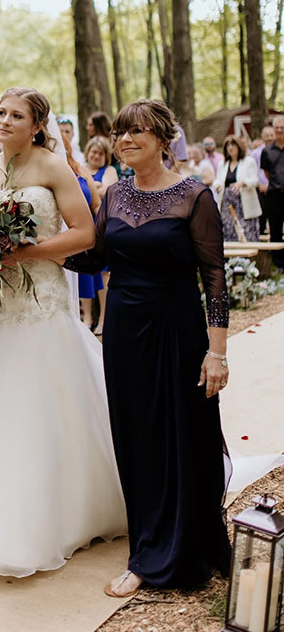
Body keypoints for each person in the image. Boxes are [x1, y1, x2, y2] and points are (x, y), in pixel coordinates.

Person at [0, 88, 126, 577]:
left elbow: (85, 233)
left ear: (37, 125)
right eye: (1, 113)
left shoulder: (52, 166)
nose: (5, 121)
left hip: (42, 300)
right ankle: (8, 519)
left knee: (39, 407)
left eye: (17, 116)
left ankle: (57, 520)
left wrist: (24, 253)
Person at [67, 99, 231, 597]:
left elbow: (215, 279)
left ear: (163, 139)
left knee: (183, 434)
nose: (125, 139)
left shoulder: (194, 196)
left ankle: (186, 543)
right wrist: (31, 249)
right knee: (136, 438)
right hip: (123, 336)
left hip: (179, 334)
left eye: (137, 131)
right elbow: (93, 255)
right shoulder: (113, 195)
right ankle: (147, 547)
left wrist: (217, 352)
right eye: (120, 132)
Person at [62, 137, 103, 330]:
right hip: (62, 232)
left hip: (87, 229)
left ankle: (89, 318)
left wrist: (103, 233)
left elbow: (96, 204)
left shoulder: (80, 169)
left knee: (88, 276)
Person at [84, 136, 118, 332]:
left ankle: (104, 319)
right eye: (93, 152)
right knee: (84, 270)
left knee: (104, 272)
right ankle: (87, 317)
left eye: (100, 153)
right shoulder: (80, 167)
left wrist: (94, 187)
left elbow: (107, 189)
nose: (96, 156)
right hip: (83, 223)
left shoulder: (109, 171)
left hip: (102, 223)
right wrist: (95, 186)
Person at [214, 136, 261, 242]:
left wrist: (243, 183)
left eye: (233, 145)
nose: (230, 148)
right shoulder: (223, 164)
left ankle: (247, 257)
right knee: (229, 230)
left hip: (244, 204)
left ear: (239, 146)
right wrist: (216, 185)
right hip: (227, 205)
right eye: (228, 145)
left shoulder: (249, 161)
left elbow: (255, 180)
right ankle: (232, 257)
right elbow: (218, 180)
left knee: (246, 232)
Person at [260, 114, 284, 271]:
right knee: (275, 229)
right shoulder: (267, 151)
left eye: (283, 128)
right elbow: (267, 173)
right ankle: (278, 263)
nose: (280, 130)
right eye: (277, 128)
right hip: (274, 195)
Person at [251, 124, 274, 236]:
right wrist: (260, 184)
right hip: (260, 189)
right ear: (262, 137)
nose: (269, 138)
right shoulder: (255, 153)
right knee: (261, 217)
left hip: (275, 188)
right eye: (267, 135)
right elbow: (253, 171)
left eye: (271, 135)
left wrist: (270, 185)